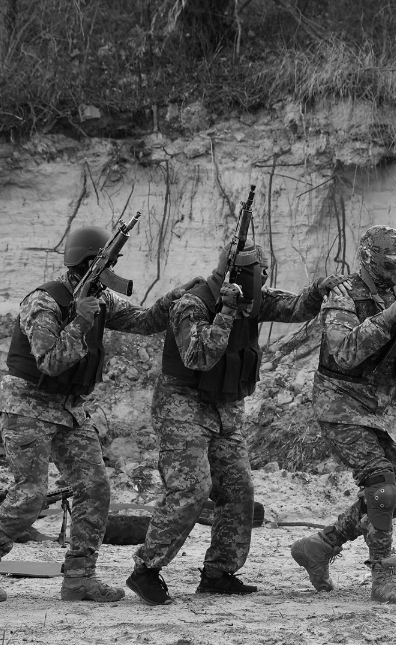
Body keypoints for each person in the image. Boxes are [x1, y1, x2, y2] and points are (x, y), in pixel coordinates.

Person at [0, 225, 183, 603]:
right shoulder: (44, 302)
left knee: (94, 489)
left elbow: (145, 323)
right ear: (85, 262)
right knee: (30, 494)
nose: (111, 269)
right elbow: (49, 362)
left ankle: (79, 577)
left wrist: (175, 297)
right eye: (105, 262)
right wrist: (79, 321)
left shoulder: (101, 300)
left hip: (68, 409)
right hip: (27, 405)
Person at [125, 240, 348, 606]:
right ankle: (145, 570)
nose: (266, 277)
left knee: (239, 489)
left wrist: (319, 290)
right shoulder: (192, 304)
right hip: (182, 407)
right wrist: (226, 311)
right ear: (242, 273)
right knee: (191, 489)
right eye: (260, 271)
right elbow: (199, 356)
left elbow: (295, 307)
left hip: (225, 411)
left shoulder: (254, 298)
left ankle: (218, 573)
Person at [289, 225, 396, 605]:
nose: (394, 269)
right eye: (386, 261)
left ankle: (321, 545)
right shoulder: (342, 294)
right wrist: (390, 316)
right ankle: (384, 572)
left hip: (382, 409)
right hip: (340, 404)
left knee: (395, 496)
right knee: (381, 487)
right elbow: (343, 351)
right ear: (367, 258)